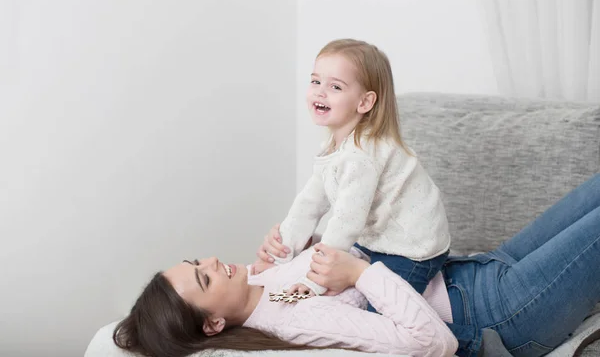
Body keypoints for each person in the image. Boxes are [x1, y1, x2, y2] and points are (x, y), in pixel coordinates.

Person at [114, 174, 600, 357]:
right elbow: (433, 342)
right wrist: (359, 274)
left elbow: (324, 272)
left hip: (477, 268)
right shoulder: (294, 322)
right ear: (215, 323)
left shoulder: (262, 282)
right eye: (203, 276)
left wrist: (305, 244)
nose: (212, 259)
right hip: (503, 313)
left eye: (195, 261)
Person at [261, 39, 451, 299]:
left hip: (412, 249)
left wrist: (315, 280)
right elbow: (310, 202)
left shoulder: (363, 154)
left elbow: (346, 220)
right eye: (315, 81)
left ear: (364, 102)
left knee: (382, 317)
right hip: (377, 240)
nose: (320, 92)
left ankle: (472, 339)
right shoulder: (334, 144)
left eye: (335, 86)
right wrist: (281, 252)